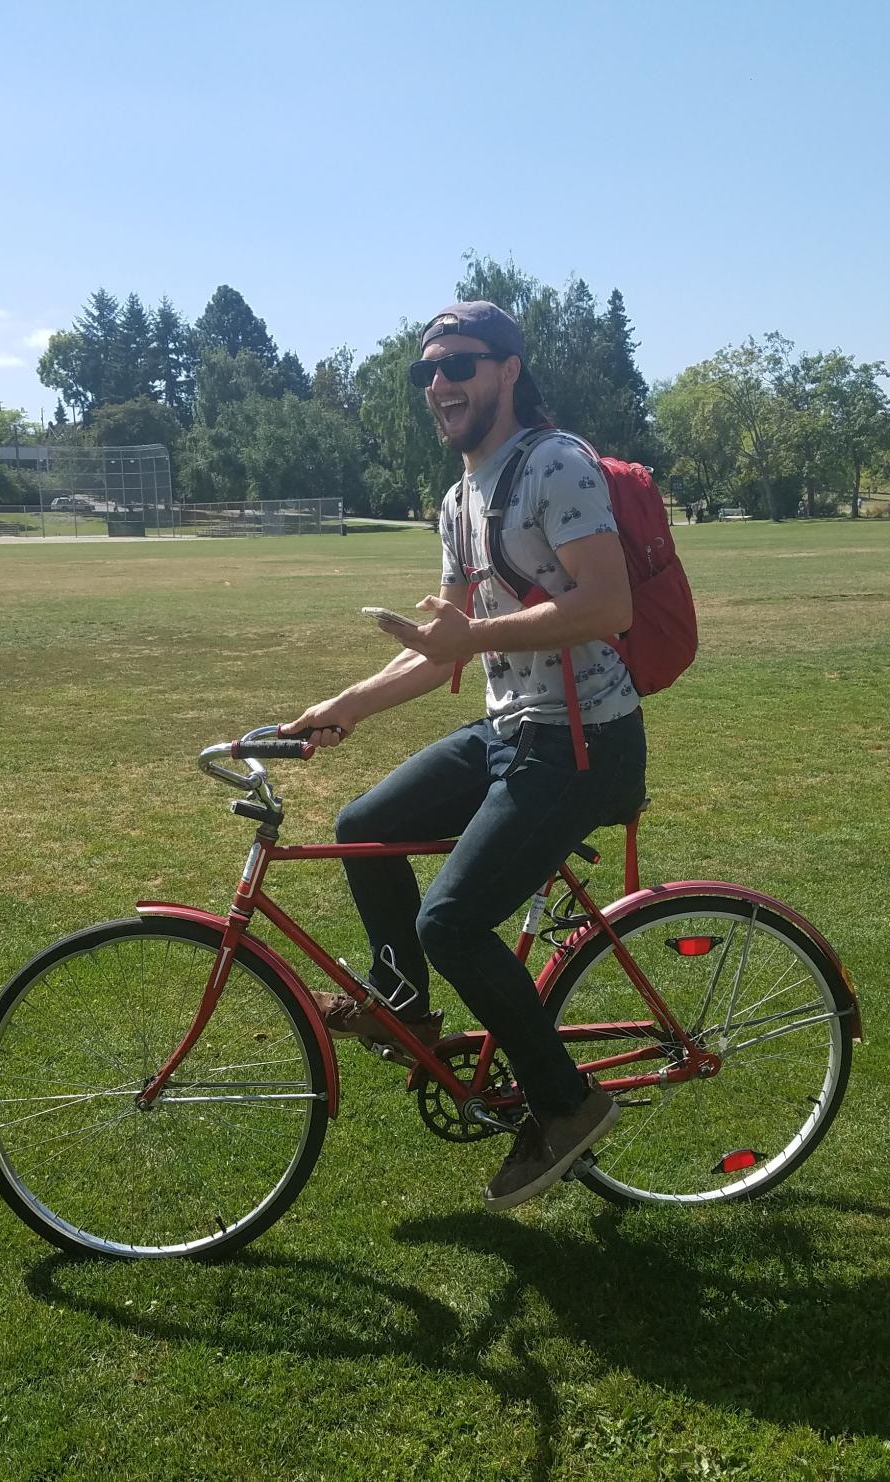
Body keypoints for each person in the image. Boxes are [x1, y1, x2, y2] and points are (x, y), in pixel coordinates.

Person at [283, 301, 647, 1211]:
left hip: (584, 740)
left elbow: (608, 606)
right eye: (428, 372)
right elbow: (441, 643)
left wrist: (471, 634)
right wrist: (343, 709)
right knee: (365, 827)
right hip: (511, 732)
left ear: (508, 371)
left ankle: (566, 1106)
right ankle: (402, 1005)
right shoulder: (458, 498)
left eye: (461, 365)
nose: (440, 385)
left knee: (453, 922)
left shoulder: (556, 464)